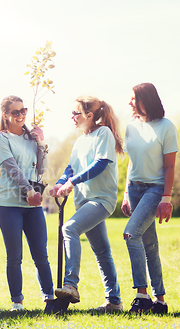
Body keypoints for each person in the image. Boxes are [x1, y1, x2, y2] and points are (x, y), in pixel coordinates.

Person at [49, 95, 124, 312]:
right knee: (101, 251)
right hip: (83, 202)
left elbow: (100, 164)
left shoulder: (104, 133)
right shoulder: (80, 140)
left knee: (69, 228)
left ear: (89, 115)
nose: (72, 117)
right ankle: (114, 301)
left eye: (75, 113)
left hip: (101, 200)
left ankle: (71, 284)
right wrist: (60, 183)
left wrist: (72, 182)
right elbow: (71, 169)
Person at [0, 95, 54, 311]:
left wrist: (41, 142)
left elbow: (42, 169)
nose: (20, 115)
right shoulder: (2, 139)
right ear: (5, 115)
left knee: (41, 254)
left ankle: (49, 298)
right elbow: (11, 168)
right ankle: (17, 302)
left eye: (23, 111)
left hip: (32, 205)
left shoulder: (31, 138)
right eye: (15, 112)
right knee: (14, 256)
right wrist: (28, 190)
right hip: (10, 205)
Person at [121, 83, 178, 314]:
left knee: (131, 234)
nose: (130, 102)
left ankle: (142, 296)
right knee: (149, 245)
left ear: (146, 99)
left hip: (154, 189)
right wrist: (126, 192)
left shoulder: (166, 127)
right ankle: (160, 301)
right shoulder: (131, 126)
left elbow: (170, 165)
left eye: (133, 98)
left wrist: (166, 198)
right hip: (134, 189)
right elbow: (131, 163)